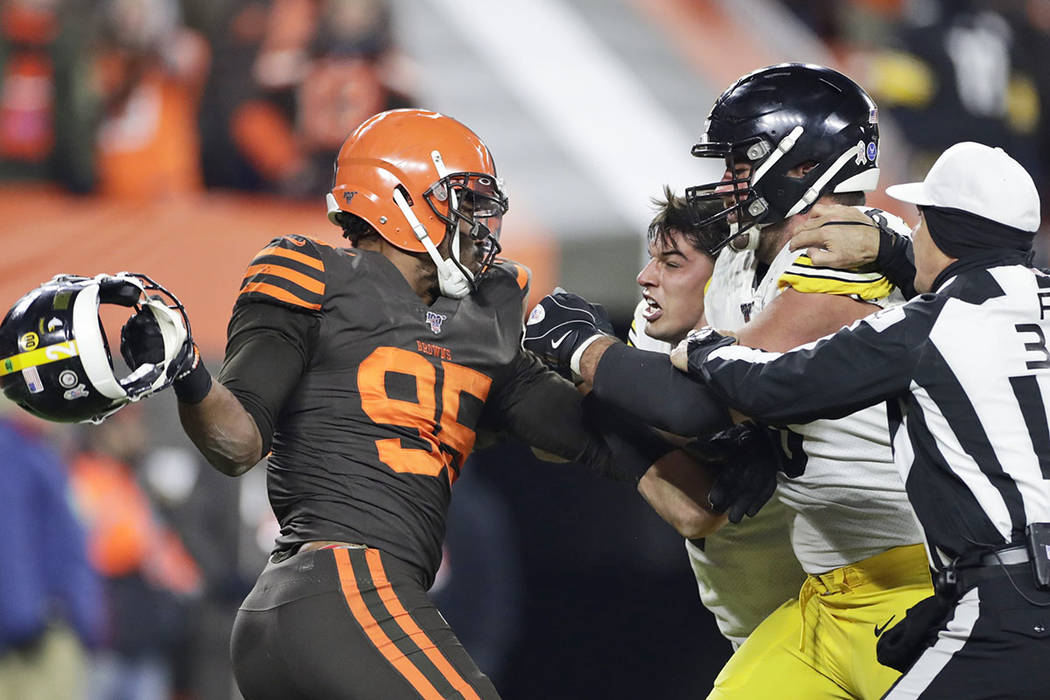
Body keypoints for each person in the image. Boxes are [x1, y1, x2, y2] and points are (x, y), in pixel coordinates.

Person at [117, 108, 682, 700]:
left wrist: (658, 389)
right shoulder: (317, 275)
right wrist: (185, 371)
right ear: (399, 199)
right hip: (341, 588)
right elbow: (236, 443)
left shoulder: (482, 323)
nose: (480, 226)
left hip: (306, 619)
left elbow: (589, 435)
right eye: (461, 203)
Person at [525, 64, 935, 698]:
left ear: (800, 166)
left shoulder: (855, 244)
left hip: (919, 576)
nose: (727, 181)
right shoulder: (737, 260)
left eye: (742, 161)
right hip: (825, 595)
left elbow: (713, 400)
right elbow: (618, 423)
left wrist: (581, 350)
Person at [676, 141, 1050, 698]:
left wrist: (704, 345)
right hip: (990, 590)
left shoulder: (930, 327)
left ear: (942, 230)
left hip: (1011, 597)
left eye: (921, 222)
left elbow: (773, 387)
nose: (913, 234)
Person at [629, 187, 807, 649]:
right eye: (654, 260)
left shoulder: (786, 329)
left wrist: (587, 368)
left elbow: (694, 512)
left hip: (854, 611)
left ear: (727, 274)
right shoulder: (654, 339)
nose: (646, 277)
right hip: (757, 628)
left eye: (672, 263)